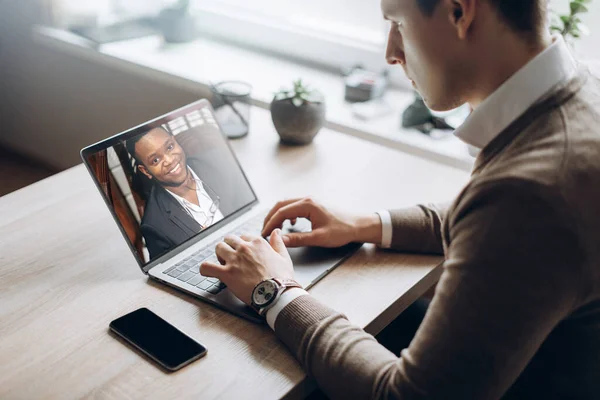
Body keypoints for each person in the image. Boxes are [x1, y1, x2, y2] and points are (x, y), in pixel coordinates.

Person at [201, 0, 600, 398]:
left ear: (460, 12)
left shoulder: (530, 196)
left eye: (398, 24)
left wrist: (274, 290)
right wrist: (365, 224)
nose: (391, 53)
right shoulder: (577, 100)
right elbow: (490, 220)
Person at [126, 126, 235, 259]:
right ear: (146, 171)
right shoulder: (154, 226)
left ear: (175, 141)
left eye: (170, 147)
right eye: (155, 160)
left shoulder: (220, 163)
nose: (170, 160)